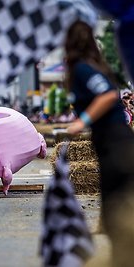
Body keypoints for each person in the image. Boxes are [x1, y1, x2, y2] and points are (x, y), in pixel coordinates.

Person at [65, 20, 134, 267]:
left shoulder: (84, 69)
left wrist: (81, 121)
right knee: (113, 210)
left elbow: (107, 95)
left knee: (118, 210)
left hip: (116, 143)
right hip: (108, 143)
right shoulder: (87, 68)